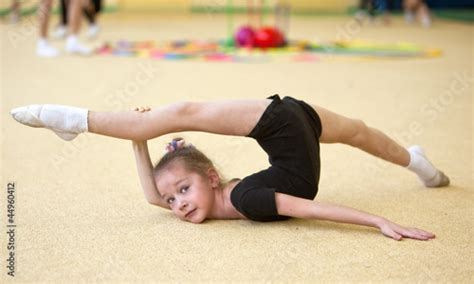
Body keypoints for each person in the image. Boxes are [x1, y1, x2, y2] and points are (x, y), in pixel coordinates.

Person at [9, 95, 449, 241]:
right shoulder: (235, 197)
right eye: (174, 199)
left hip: (283, 125)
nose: (176, 204)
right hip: (288, 123)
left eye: (181, 191)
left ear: (212, 178)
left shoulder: (242, 199)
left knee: (184, 111)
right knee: (357, 131)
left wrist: (378, 222)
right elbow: (153, 193)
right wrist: (137, 136)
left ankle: (71, 120)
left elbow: (315, 208)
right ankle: (419, 164)